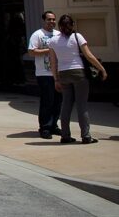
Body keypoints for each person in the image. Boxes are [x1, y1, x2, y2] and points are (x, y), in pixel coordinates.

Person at [49, 14, 108, 144]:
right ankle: (86, 136)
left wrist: (56, 79)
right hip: (78, 72)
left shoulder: (53, 41)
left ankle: (65, 135)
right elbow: (89, 56)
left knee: (66, 105)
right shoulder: (77, 37)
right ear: (72, 25)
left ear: (59, 26)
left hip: (63, 74)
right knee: (82, 105)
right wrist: (101, 69)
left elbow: (53, 62)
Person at [28, 11, 61, 139]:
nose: (52, 22)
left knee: (58, 101)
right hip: (44, 73)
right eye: (49, 19)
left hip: (58, 73)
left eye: (53, 19)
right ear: (44, 20)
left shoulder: (59, 34)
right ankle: (45, 127)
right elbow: (31, 52)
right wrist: (49, 50)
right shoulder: (38, 34)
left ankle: (54, 125)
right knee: (47, 101)